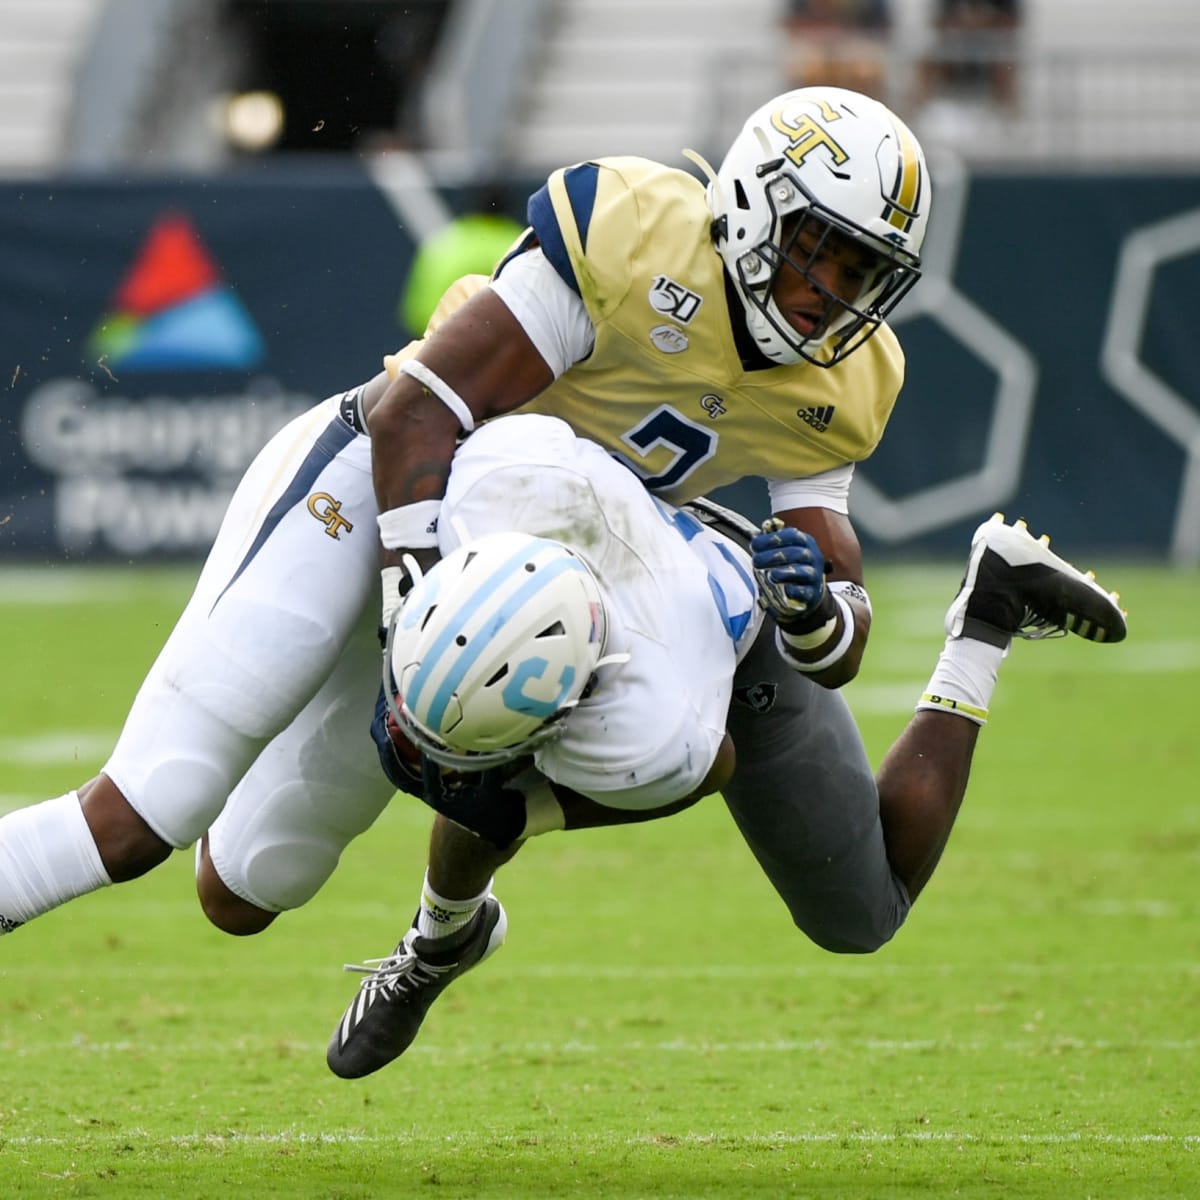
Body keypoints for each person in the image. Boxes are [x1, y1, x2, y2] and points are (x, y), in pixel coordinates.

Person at [322, 86, 1128, 1077]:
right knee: (495, 716)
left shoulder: (850, 376)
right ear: (752, 205)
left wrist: (810, 610)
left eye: (862, 269)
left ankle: (991, 614)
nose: (834, 289)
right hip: (547, 538)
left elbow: (839, 624)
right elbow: (433, 397)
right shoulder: (634, 236)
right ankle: (437, 939)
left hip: (700, 581)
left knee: (862, 915)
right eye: (819, 251)